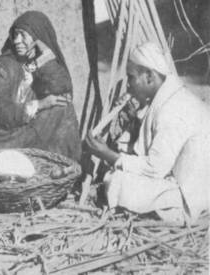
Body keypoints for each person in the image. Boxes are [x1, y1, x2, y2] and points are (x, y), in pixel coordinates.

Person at [85, 41, 210, 224]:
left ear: (149, 77)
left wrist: (108, 155)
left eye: (131, 78)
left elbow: (154, 169)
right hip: (186, 181)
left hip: (193, 195)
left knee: (119, 180)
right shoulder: (169, 97)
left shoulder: (172, 110)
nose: (128, 85)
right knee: (120, 176)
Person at [0, 11, 81, 161]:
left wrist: (45, 58)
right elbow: (3, 115)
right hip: (2, 134)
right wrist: (40, 104)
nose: (17, 41)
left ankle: (61, 166)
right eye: (15, 35)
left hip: (27, 131)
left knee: (64, 108)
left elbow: (63, 89)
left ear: (37, 37)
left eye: (23, 35)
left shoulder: (38, 63)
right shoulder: (4, 66)